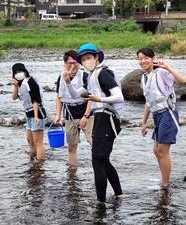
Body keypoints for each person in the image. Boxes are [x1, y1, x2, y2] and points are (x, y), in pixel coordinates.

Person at [63, 44, 124, 203]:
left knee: (97, 160)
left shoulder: (103, 73)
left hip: (107, 118)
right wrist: (68, 82)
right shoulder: (91, 76)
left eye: (89, 58)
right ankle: (119, 194)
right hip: (99, 118)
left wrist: (99, 99)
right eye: (83, 59)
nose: (86, 61)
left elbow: (119, 96)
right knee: (103, 159)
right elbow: (77, 95)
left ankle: (101, 203)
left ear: (97, 57)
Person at [137, 48, 186, 189]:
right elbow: (148, 102)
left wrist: (168, 67)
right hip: (156, 115)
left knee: (162, 151)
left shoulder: (161, 72)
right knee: (156, 151)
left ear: (153, 58)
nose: (143, 61)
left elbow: (182, 81)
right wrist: (143, 123)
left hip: (167, 113)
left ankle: (165, 184)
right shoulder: (144, 77)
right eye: (140, 58)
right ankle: (164, 180)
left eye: (146, 58)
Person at [53, 50, 93, 169]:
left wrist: (86, 116)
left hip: (86, 113)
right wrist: (58, 115)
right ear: (65, 64)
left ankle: (100, 168)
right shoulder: (61, 77)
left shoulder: (85, 76)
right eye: (70, 63)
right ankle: (72, 171)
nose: (73, 66)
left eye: (75, 63)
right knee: (71, 146)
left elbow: (91, 98)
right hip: (69, 114)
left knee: (93, 143)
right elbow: (59, 97)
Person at [11, 63, 47, 161]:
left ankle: (40, 164)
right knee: (30, 140)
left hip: (37, 113)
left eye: (20, 71)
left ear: (25, 71)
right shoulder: (19, 83)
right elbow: (14, 97)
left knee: (38, 142)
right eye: (16, 73)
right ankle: (32, 160)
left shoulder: (30, 82)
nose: (18, 74)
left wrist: (36, 116)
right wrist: (15, 86)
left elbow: (35, 100)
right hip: (28, 114)